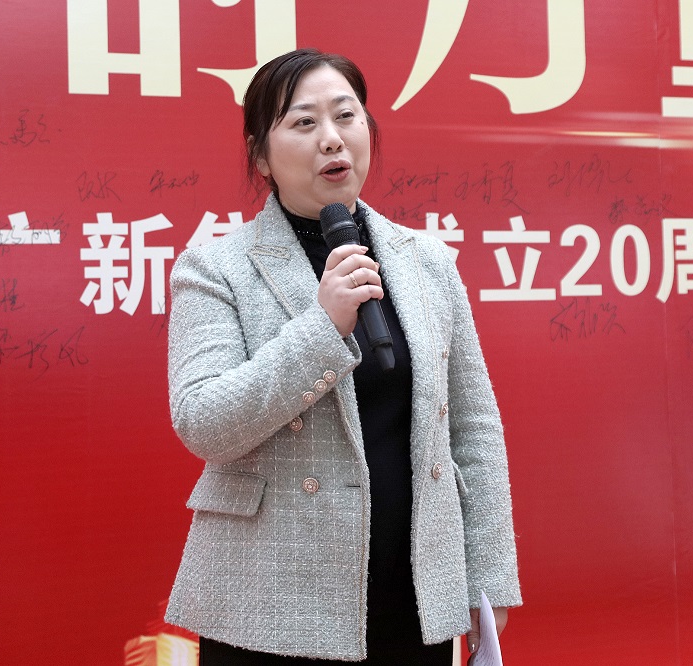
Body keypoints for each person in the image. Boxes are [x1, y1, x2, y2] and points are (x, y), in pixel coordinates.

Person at [164, 48, 521, 664]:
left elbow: (472, 425)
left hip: (413, 590)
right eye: (304, 122)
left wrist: (487, 575)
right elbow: (204, 423)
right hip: (269, 600)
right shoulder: (214, 268)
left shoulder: (427, 262)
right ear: (260, 156)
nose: (331, 138)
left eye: (346, 116)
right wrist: (323, 327)